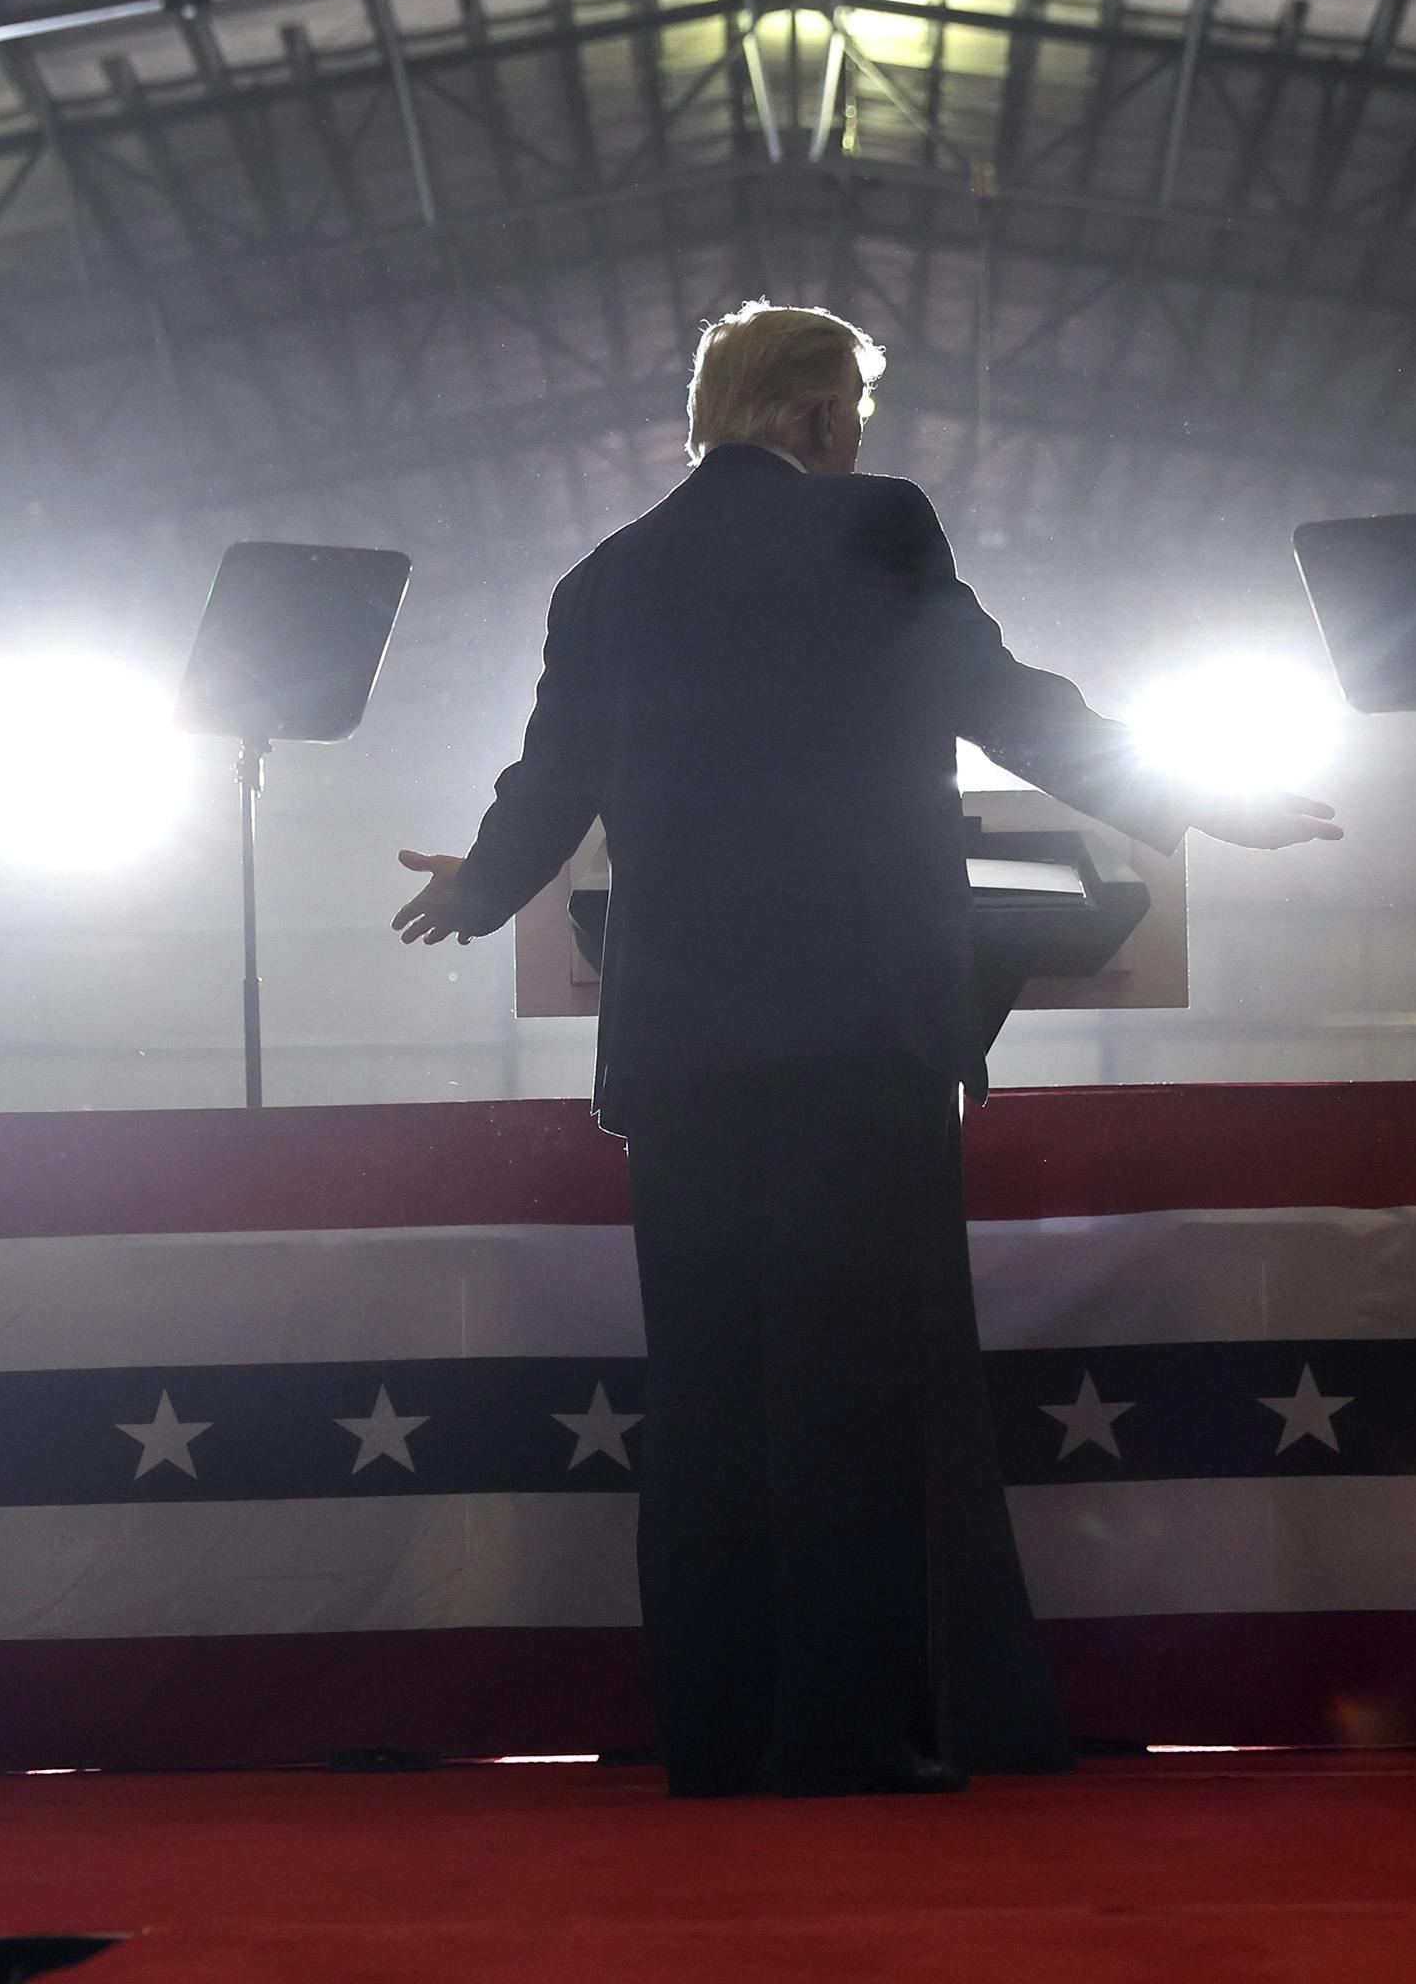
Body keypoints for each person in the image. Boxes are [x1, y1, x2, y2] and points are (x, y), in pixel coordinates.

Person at [392, 302, 1341, 1798]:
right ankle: (841, 1731)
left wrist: (477, 890)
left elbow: (551, 779)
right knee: (850, 1391)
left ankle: (710, 1732)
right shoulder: (878, 526)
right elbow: (1007, 703)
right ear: (824, 412)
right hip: (855, 1033)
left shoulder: (607, 576)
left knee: (705, 1397)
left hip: (686, 1054)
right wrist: (1202, 794)